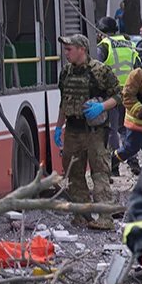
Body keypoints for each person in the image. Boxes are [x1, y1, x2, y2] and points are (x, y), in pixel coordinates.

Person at [53, 33, 122, 230]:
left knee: (99, 173)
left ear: (82, 50)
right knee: (74, 174)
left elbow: (118, 94)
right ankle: (81, 215)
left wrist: (102, 107)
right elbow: (64, 102)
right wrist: (59, 126)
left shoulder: (99, 71)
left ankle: (105, 218)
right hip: (73, 130)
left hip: (95, 132)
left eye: (69, 49)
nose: (66, 53)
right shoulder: (65, 73)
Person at [95, 16, 138, 175]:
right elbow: (138, 66)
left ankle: (114, 166)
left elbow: (97, 70)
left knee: (112, 130)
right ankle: (133, 160)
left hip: (112, 94)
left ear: (102, 32)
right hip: (131, 93)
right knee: (126, 128)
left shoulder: (104, 46)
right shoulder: (130, 44)